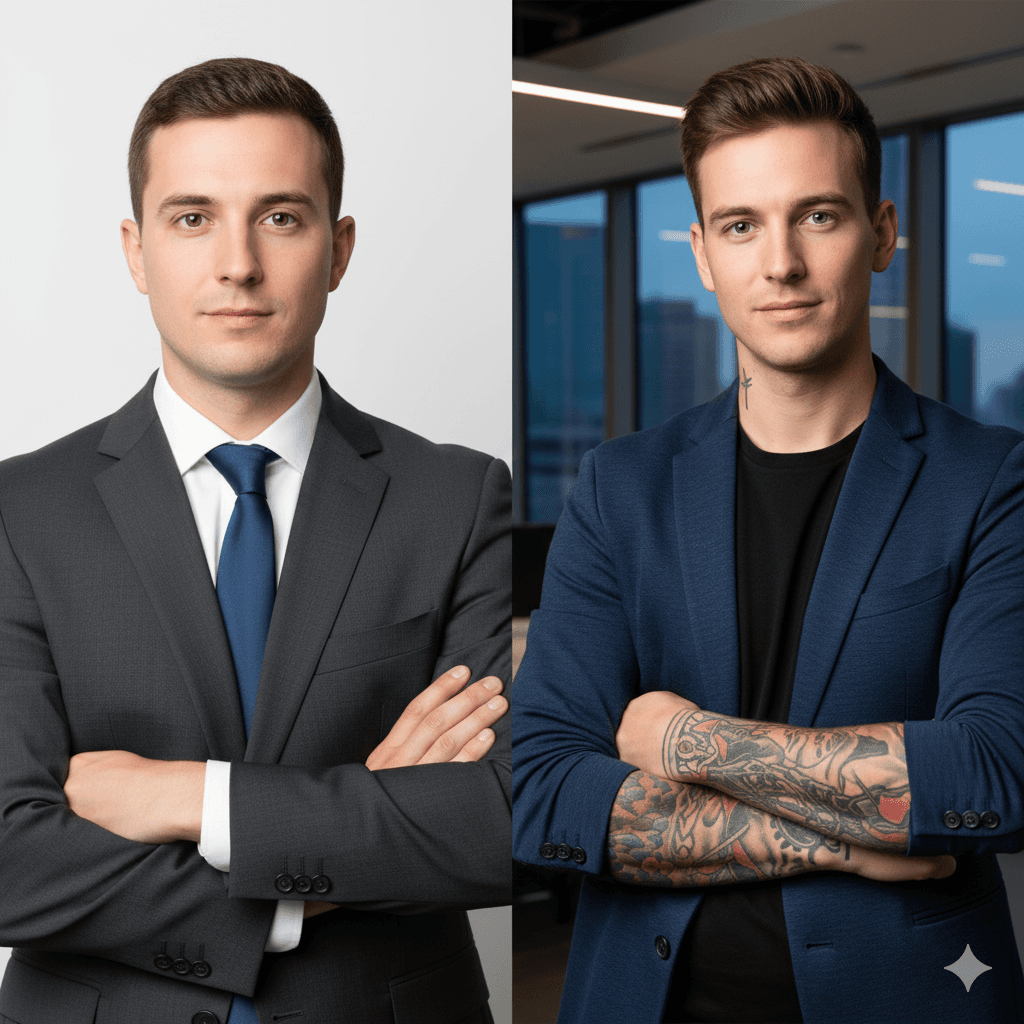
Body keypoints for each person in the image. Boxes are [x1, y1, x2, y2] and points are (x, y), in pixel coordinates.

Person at [512, 56, 1024, 1024]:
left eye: (817, 216)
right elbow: (542, 789)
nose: (779, 263)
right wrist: (850, 835)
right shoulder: (620, 488)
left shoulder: (990, 478)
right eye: (741, 225)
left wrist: (683, 737)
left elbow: (995, 770)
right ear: (703, 253)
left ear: (880, 233)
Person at [0, 57, 510, 1024]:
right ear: (136, 251)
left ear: (340, 247)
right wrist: (321, 859)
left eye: (280, 216)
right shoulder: (21, 510)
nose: (238, 262)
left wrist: (194, 799)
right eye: (193, 217)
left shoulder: (454, 495)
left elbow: (495, 823)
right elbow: (8, 856)